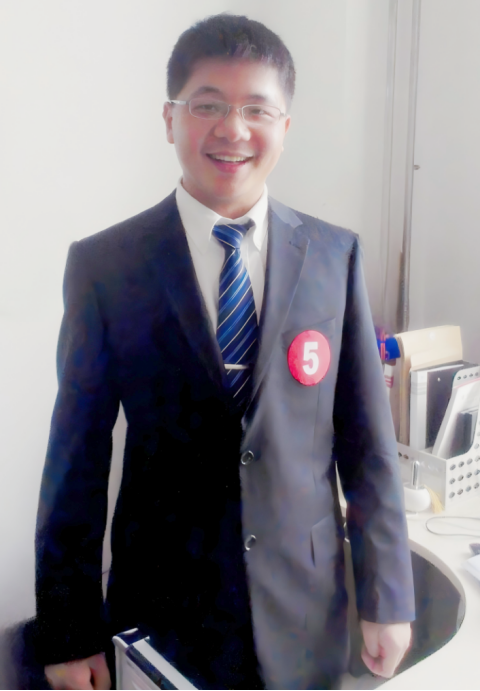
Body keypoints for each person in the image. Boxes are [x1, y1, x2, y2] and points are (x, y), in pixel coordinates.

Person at [35, 13, 415, 691]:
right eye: (207, 105)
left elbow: (367, 444)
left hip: (305, 612)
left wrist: (388, 595)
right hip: (163, 606)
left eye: (257, 109)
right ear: (170, 119)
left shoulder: (335, 256)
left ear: (285, 126)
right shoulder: (107, 266)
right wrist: (69, 632)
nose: (233, 130)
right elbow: (76, 461)